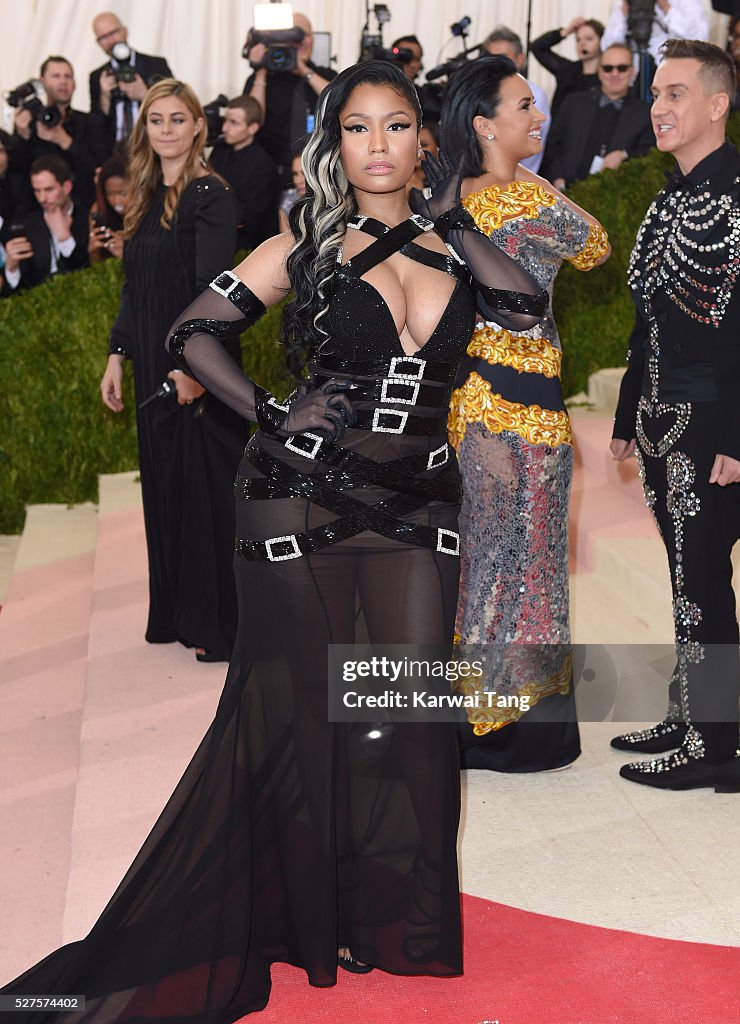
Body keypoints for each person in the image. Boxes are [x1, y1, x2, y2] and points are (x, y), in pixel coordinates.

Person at [1, 59, 545, 1020]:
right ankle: (303, 916)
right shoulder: (305, 242)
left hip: (420, 506)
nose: (377, 145)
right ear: (334, 143)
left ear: (427, 139)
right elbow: (190, 334)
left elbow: (524, 308)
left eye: (397, 126)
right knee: (298, 716)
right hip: (303, 502)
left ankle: (396, 921)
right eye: (356, 128)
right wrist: (273, 410)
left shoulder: (459, 243)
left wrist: (454, 217)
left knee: (410, 720)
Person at [439, 55, 611, 773]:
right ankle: (517, 728)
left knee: (493, 559)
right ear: (484, 124)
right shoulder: (523, 201)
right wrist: (539, 187)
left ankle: (482, 722)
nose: (539, 117)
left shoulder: (446, 199)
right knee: (526, 561)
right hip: (513, 400)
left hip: (486, 395)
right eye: (524, 107)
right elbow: (596, 244)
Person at [610, 39, 740, 792]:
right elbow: (646, 321)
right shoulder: (667, 200)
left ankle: (713, 746)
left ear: (718, 104)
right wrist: (628, 415)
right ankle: (693, 711)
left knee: (704, 584)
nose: (659, 107)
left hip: (717, 425)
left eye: (676, 94)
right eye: (656, 94)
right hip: (663, 418)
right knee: (687, 578)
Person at [98, 79, 246, 663]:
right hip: (152, 366)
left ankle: (219, 625)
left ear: (196, 126)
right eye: (155, 120)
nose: (166, 130)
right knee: (166, 490)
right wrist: (118, 353)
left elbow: (214, 293)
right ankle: (177, 613)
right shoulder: (140, 193)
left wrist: (193, 368)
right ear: (144, 129)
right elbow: (137, 287)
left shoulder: (209, 194)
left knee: (205, 498)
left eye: (177, 119)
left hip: (196, 368)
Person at [542, 44, 655, 190]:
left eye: (622, 68)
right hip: (566, 193)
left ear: (632, 72)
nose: (615, 73)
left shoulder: (645, 113)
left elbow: (650, 153)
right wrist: (557, 179)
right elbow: (551, 145)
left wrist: (624, 155)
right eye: (608, 68)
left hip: (613, 199)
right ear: (599, 71)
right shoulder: (573, 103)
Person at [244, 11, 336, 187]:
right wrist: (261, 71)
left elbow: (338, 101)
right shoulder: (262, 79)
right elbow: (252, 120)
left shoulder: (326, 75)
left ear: (313, 39)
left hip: (320, 173)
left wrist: (303, 70)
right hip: (271, 173)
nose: (300, 41)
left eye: (304, 34)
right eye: (292, 35)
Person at [11, 56, 107, 208]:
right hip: (37, 212)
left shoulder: (91, 122)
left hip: (83, 209)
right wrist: (23, 136)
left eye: (68, 76)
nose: (63, 81)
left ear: (74, 84)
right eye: (56, 76)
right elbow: (16, 172)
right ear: (42, 82)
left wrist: (65, 141)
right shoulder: (28, 122)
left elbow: (99, 169)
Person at [0, 154, 88, 296]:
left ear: (66, 187)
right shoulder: (28, 225)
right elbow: (23, 288)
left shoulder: (86, 219)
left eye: (49, 190)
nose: (42, 198)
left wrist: (65, 239)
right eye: (37, 190)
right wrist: (12, 268)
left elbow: (89, 272)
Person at [90, 11, 174, 151]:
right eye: (103, 38)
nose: (111, 41)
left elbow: (177, 105)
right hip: (116, 152)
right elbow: (95, 126)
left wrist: (145, 95)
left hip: (154, 148)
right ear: (98, 43)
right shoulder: (97, 76)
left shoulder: (156, 65)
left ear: (125, 31)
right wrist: (105, 97)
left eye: (114, 33)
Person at [209, 95, 279, 250]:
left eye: (233, 123)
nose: (224, 128)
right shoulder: (220, 148)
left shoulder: (264, 166)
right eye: (225, 120)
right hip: (212, 231)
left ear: (252, 128)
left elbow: (249, 219)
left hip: (242, 247)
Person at [481, 26, 551, 174]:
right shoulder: (479, 92)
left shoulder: (535, 94)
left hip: (521, 180)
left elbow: (531, 144)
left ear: (520, 59)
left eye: (503, 57)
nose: (495, 64)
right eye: (491, 57)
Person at [531, 16, 605, 118]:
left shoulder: (608, 76)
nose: (582, 44)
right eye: (578, 40)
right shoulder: (567, 70)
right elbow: (537, 48)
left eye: (589, 39)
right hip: (560, 131)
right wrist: (565, 31)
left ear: (602, 41)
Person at [602, 1, 708, 64]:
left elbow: (698, 38)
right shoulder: (624, 4)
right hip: (635, 76)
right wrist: (623, 15)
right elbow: (607, 47)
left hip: (671, 68)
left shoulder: (685, 2)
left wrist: (666, 8)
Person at [88, 153, 129, 263]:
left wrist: (128, 251)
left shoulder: (150, 211)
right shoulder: (98, 210)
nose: (116, 201)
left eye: (123, 193)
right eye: (110, 194)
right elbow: (96, 266)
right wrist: (93, 251)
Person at [276, 142, 306, 232]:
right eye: (295, 174)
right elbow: (286, 243)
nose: (298, 180)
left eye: (304, 173)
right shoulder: (288, 201)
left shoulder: (331, 201)